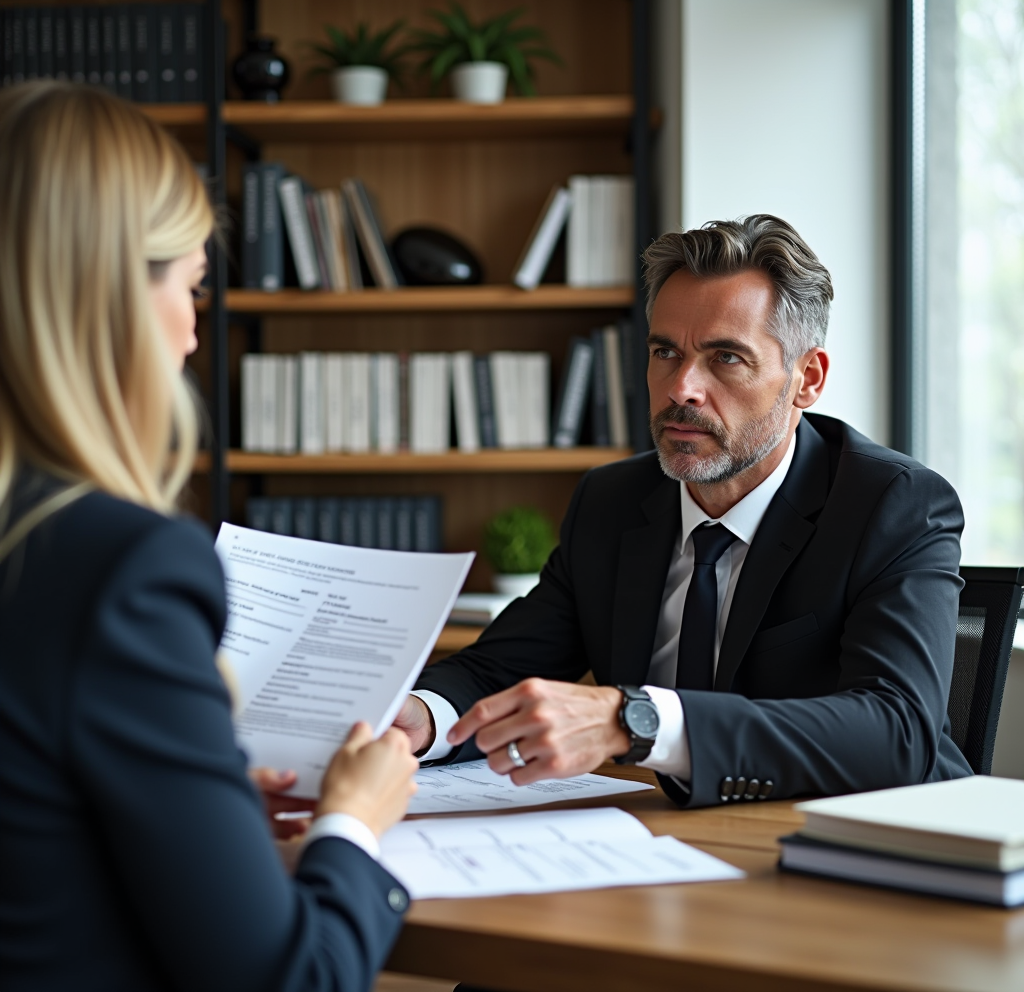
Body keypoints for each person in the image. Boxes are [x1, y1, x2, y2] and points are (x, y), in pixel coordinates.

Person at [0, 81, 419, 992]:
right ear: (103, 298)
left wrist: (203, 809)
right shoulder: (121, 566)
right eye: (189, 287)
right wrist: (355, 822)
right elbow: (292, 978)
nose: (194, 334)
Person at [394, 213, 973, 808]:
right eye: (665, 351)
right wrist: (422, 718)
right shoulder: (611, 502)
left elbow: (897, 733)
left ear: (807, 380)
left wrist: (638, 721)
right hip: (665, 838)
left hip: (863, 846)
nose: (681, 388)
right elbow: (500, 669)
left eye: (726, 358)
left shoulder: (893, 504)